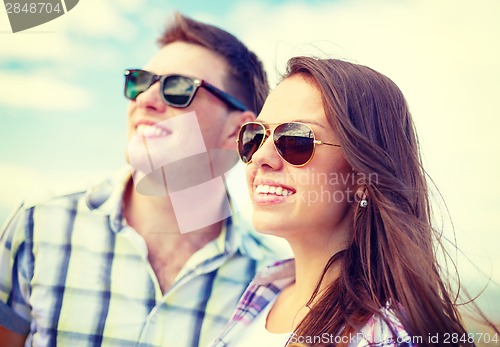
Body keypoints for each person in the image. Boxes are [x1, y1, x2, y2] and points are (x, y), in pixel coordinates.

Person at [0, 13, 288, 347]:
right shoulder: (39, 226)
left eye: (177, 88)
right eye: (139, 82)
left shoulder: (272, 280)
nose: (145, 99)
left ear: (237, 131)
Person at [209, 56, 499, 346]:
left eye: (296, 139)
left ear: (362, 177)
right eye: (255, 137)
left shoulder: (386, 338)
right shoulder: (263, 293)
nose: (259, 158)